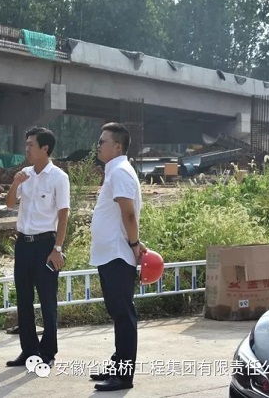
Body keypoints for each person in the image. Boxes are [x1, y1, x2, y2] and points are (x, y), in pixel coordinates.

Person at [4, 127, 70, 367]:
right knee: (23, 299)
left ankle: (48, 352)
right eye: (26, 144)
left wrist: (58, 248)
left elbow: (63, 214)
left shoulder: (59, 177)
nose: (27, 149)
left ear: (45, 148)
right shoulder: (25, 174)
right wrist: (15, 184)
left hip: (45, 245)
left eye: (31, 145)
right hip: (24, 243)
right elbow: (10, 204)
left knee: (47, 300)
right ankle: (28, 350)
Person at [89, 122, 147, 392]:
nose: (98, 145)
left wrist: (134, 244)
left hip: (117, 254)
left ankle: (123, 375)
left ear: (117, 147)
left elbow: (129, 213)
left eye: (102, 141)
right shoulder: (115, 171)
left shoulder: (120, 172)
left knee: (123, 315)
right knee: (118, 313)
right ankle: (117, 365)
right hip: (110, 254)